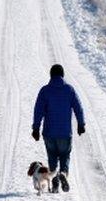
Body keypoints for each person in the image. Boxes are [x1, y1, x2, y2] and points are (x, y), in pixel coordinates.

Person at [31, 64, 85, 193]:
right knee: (65, 155)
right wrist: (81, 124)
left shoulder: (44, 91)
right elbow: (79, 108)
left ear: (51, 75)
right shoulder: (69, 90)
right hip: (65, 133)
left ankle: (54, 182)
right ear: (62, 75)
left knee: (52, 156)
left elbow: (38, 110)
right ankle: (63, 174)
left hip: (49, 133)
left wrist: (36, 128)